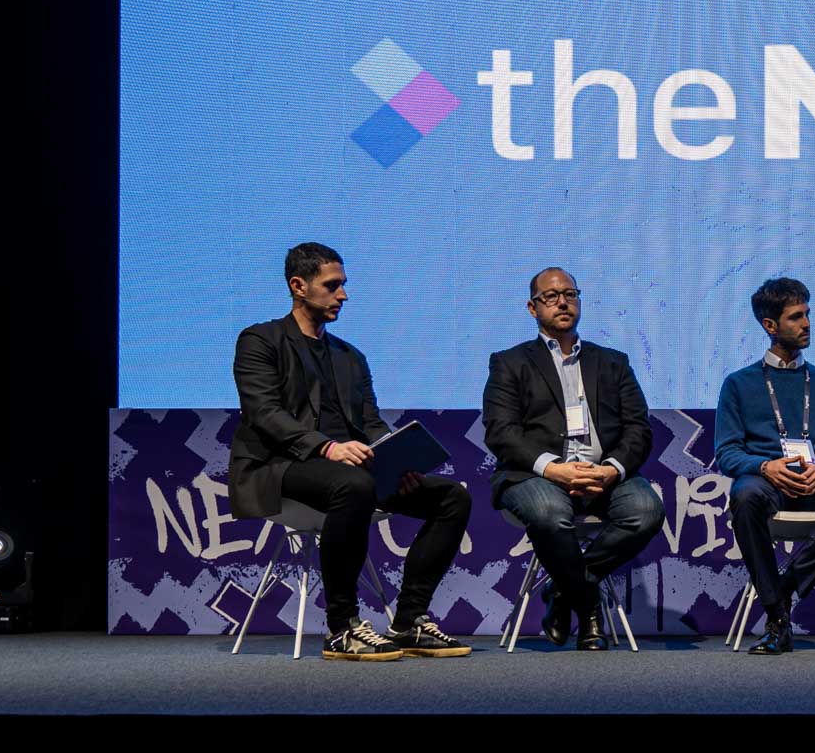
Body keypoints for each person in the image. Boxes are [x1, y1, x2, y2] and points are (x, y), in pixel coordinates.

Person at [227, 242, 472, 661]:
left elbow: (371, 423)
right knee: (353, 485)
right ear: (298, 286)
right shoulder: (260, 341)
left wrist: (397, 460)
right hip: (280, 467)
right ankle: (342, 627)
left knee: (452, 498)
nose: (343, 294)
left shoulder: (350, 357)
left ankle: (409, 621)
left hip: (350, 469)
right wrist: (326, 447)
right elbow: (264, 413)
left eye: (342, 284)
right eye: (332, 285)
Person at [481, 267, 663, 650]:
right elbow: (501, 432)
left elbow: (638, 429)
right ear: (532, 308)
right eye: (551, 296)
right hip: (536, 475)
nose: (562, 302)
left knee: (646, 510)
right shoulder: (509, 362)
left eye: (570, 294)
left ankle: (563, 592)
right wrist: (554, 469)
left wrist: (611, 470)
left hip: (603, 475)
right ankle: (589, 605)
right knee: (549, 512)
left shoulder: (613, 362)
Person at [715, 277, 815, 655]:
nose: (806, 324)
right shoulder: (738, 383)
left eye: (807, 315)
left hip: (814, 481)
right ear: (770, 325)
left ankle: (783, 587)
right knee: (745, 497)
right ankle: (777, 616)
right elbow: (727, 453)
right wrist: (765, 467)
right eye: (796, 317)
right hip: (767, 481)